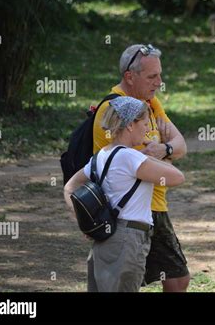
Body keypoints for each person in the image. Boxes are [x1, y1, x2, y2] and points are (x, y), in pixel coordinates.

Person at [92, 44, 190, 292]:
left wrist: (163, 150)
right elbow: (139, 167)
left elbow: (180, 147)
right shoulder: (114, 110)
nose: (159, 82)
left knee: (175, 279)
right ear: (129, 76)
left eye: (160, 75)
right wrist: (165, 154)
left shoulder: (150, 103)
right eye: (152, 76)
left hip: (154, 207)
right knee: (147, 282)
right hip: (134, 211)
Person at [64, 96, 185, 292]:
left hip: (104, 236)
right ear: (130, 125)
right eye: (145, 124)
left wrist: (84, 222)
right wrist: (157, 153)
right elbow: (178, 177)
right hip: (128, 240)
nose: (147, 130)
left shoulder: (101, 155)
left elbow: (69, 187)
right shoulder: (131, 157)